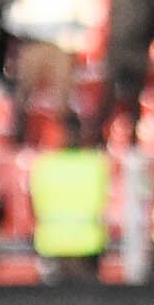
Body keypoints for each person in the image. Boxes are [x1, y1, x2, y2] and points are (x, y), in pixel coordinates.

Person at [27, 119, 112, 282]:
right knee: (87, 296)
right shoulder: (95, 165)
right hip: (88, 245)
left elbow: (31, 205)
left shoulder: (44, 165)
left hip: (51, 244)